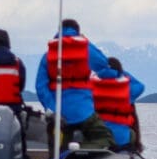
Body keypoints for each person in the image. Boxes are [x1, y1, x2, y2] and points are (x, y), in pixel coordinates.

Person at [35, 18, 114, 151]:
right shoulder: (85, 49)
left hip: (60, 114)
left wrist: (53, 110)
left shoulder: (48, 56)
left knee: (56, 151)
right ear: (78, 31)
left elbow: (40, 86)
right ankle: (81, 150)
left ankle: (62, 158)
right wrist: (85, 42)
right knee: (106, 138)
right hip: (84, 112)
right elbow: (104, 64)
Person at [92, 57, 145, 151]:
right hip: (121, 140)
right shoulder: (127, 91)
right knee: (132, 134)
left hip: (99, 140)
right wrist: (120, 73)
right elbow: (140, 86)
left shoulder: (91, 88)